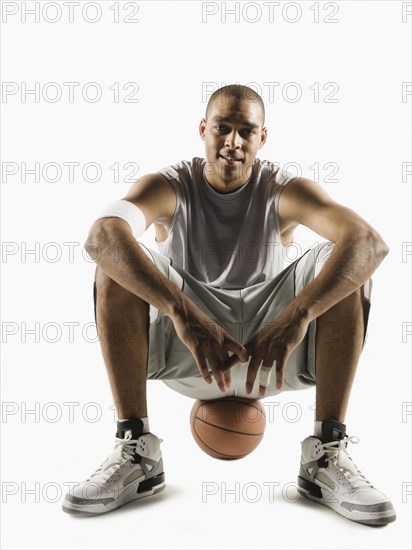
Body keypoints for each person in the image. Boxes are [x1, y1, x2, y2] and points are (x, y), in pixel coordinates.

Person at [62, 84, 396, 525]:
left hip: (271, 349)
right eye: (222, 127)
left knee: (349, 260)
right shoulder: (169, 186)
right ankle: (135, 450)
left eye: (246, 131)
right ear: (203, 130)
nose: (233, 142)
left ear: (262, 139)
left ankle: (325, 456)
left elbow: (370, 243)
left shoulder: (284, 189)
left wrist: (297, 317)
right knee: (116, 258)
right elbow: (99, 237)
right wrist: (183, 314)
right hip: (192, 352)